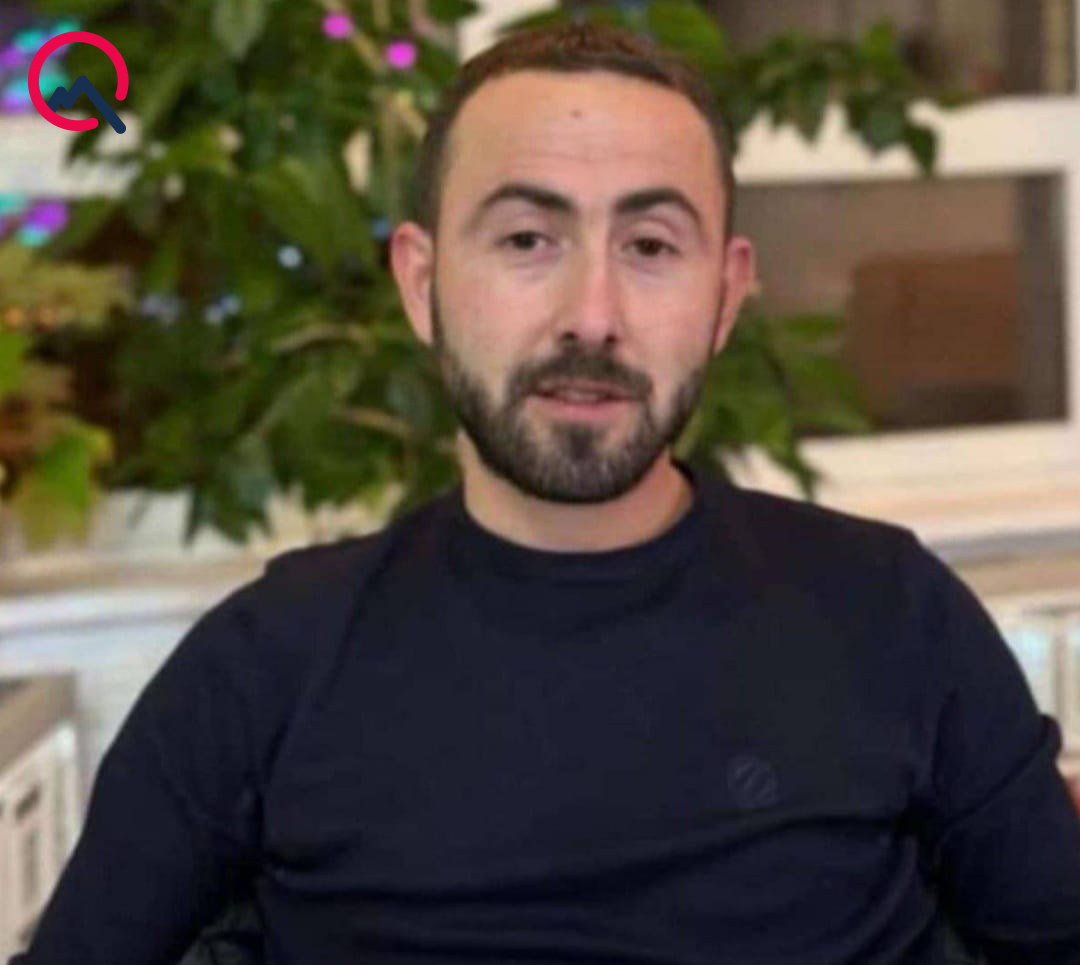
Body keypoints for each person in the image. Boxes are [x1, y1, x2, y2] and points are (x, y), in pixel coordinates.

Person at [11, 19, 1080, 965]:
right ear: (422, 282)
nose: (592, 314)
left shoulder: (891, 611)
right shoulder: (263, 663)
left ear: (725, 296)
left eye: (651, 245)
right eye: (528, 238)